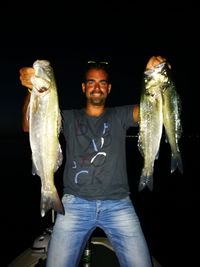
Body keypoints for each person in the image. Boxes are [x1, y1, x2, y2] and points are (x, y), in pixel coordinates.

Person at [20, 55, 167, 267]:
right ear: (83, 87)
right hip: (73, 204)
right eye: (91, 82)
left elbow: (151, 110)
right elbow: (28, 126)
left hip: (118, 204)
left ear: (108, 89)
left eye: (102, 83)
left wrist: (155, 75)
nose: (96, 87)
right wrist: (30, 90)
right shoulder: (67, 117)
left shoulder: (120, 115)